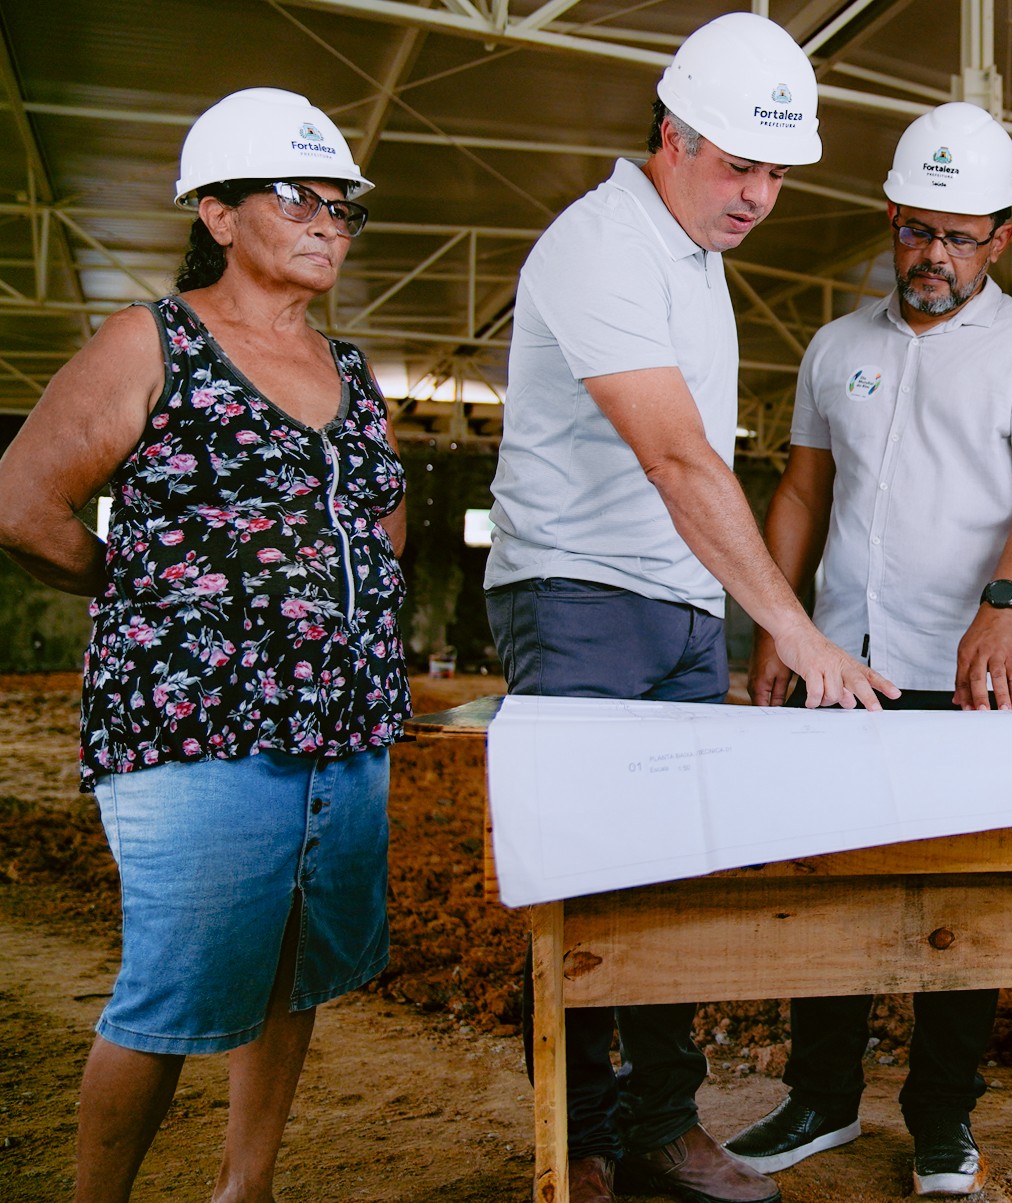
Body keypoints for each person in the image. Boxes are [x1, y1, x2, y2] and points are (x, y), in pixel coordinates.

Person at [481, 16, 897, 1203]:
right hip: (574, 595)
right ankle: (582, 1141)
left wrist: (735, 618)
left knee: (669, 872)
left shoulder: (694, 259)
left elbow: (696, 474)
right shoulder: (599, 247)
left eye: (775, 172)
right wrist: (797, 629)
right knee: (581, 871)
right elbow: (677, 461)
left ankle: (664, 1123)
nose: (759, 195)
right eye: (737, 165)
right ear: (671, 135)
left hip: (672, 602)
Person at [0, 89, 406, 1203]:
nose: (328, 222)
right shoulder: (153, 341)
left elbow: (382, 514)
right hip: (196, 724)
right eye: (298, 199)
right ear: (217, 215)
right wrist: (148, 596)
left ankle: (247, 1187)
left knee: (292, 967)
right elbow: (24, 503)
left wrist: (353, 602)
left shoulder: (356, 370)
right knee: (172, 990)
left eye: (341, 208)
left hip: (340, 725)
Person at [722, 101, 1012, 1198]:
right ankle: (820, 1099)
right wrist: (778, 624)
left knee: (959, 905)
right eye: (914, 229)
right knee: (830, 886)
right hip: (845, 667)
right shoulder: (838, 345)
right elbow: (803, 487)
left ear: (1001, 238)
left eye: (958, 236)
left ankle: (940, 1118)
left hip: (975, 675)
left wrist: (1005, 603)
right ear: (889, 218)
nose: (932, 255)